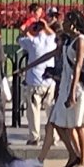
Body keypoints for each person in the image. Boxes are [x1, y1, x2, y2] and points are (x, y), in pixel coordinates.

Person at [48, 9, 84, 167]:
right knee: (58, 122)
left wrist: (72, 92)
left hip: (78, 88)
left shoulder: (81, 41)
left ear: (73, 24)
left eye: (66, 21)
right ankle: (73, 155)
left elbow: (78, 66)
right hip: (67, 85)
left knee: (78, 124)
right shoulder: (69, 40)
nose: (63, 23)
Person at [17, 13, 56, 147]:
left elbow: (19, 39)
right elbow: (54, 34)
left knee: (33, 111)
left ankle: (34, 136)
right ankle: (54, 136)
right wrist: (47, 27)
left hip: (34, 80)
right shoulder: (52, 39)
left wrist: (28, 30)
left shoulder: (32, 42)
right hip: (49, 81)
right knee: (50, 109)